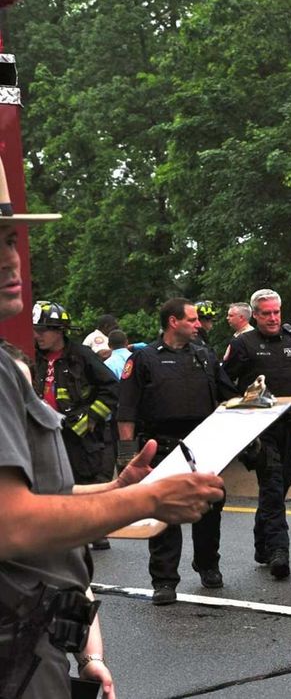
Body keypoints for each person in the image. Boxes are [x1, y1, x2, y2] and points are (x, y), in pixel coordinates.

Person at [1, 214, 226, 699]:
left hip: (40, 643)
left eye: (11, 239)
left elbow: (41, 498)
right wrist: (147, 502)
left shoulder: (79, 360)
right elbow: (13, 524)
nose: (12, 259)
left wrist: (115, 489)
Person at [116, 298, 238, 605]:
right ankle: (165, 580)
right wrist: (127, 454)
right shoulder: (143, 359)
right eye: (192, 320)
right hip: (161, 445)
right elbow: (126, 409)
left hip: (203, 444)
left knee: (209, 509)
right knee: (164, 513)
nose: (199, 324)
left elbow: (229, 397)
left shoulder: (205, 356)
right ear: (174, 322)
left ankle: (208, 565)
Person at [223, 288, 291, 580]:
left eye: (276, 312)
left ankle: (262, 543)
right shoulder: (244, 344)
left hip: (290, 424)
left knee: (283, 480)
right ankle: (279, 553)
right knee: (271, 483)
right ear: (254, 315)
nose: (272, 318)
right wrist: (240, 407)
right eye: (266, 313)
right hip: (260, 427)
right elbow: (223, 382)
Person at [33, 301, 120, 550]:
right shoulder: (31, 356)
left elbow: (111, 388)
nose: (36, 335)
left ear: (59, 330)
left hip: (78, 434)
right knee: (48, 482)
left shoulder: (81, 356)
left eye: (41, 330)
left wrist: (91, 418)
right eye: (34, 329)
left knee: (84, 481)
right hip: (45, 432)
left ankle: (93, 529)